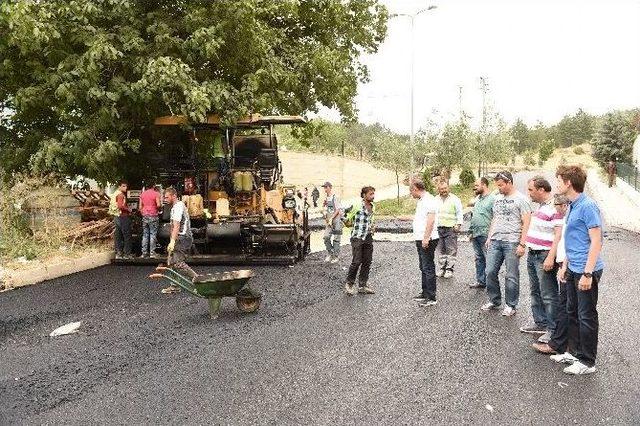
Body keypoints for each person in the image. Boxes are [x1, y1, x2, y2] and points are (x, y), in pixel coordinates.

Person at [553, 165, 604, 375]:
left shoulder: (588, 206)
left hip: (586, 270)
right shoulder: (572, 205)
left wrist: (587, 273)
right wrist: (565, 265)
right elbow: (571, 240)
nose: (557, 184)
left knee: (586, 316)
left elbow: (596, 241)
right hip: (573, 267)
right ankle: (574, 353)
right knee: (572, 312)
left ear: (568, 183)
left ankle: (588, 361)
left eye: (558, 180)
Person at [532, 195, 580, 365]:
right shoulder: (569, 214)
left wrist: (564, 264)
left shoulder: (576, 212)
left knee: (567, 306)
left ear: (565, 204)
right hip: (565, 263)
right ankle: (564, 345)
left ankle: (563, 345)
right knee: (565, 305)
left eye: (557, 205)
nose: (556, 208)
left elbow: (571, 241)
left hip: (572, 265)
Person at [481, 171, 532, 317]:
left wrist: (522, 244)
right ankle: (494, 300)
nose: (499, 188)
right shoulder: (497, 198)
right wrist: (490, 236)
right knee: (489, 271)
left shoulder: (521, 199)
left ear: (509, 182)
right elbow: (495, 218)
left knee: (511, 275)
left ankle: (511, 305)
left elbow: (526, 222)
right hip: (496, 240)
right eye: (497, 186)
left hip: (512, 241)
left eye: (501, 185)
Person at [521, 177, 563, 344]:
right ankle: (541, 322)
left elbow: (558, 234)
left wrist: (551, 256)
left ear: (541, 190)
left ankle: (553, 331)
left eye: (531, 190)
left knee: (549, 294)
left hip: (544, 255)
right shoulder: (542, 206)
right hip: (533, 254)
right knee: (535, 291)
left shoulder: (555, 205)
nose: (529, 193)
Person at [162, 187, 198, 294]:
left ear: (174, 196)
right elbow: (173, 226)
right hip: (179, 237)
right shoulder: (174, 207)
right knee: (171, 261)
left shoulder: (178, 207)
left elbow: (177, 226)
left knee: (177, 263)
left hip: (183, 237)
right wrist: (171, 240)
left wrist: (172, 241)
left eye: (167, 197)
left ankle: (198, 280)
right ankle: (174, 285)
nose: (165, 199)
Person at [410, 180, 440, 307]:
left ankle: (431, 297)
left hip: (428, 238)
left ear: (416, 189)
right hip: (421, 237)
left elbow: (431, 220)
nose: (411, 194)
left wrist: (426, 238)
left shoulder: (429, 200)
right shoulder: (422, 201)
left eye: (411, 191)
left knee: (428, 267)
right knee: (423, 266)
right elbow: (421, 219)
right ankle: (425, 293)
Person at [344, 186, 376, 295]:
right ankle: (349, 284)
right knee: (356, 261)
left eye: (373, 194)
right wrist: (348, 223)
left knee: (367, 261)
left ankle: (362, 285)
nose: (373, 196)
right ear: (364, 195)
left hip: (368, 237)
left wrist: (372, 227)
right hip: (357, 237)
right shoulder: (356, 205)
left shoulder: (373, 206)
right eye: (371, 194)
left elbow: (370, 220)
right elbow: (344, 214)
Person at [468, 177, 495, 289]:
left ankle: (491, 283)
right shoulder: (478, 198)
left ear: (484, 185)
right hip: (476, 233)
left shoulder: (492, 199)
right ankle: (481, 281)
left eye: (477, 185)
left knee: (488, 258)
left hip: (486, 233)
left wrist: (491, 235)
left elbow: (496, 217)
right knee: (479, 258)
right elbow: (474, 215)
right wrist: (470, 231)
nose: (475, 187)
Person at [435, 181, 464, 278]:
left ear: (448, 188)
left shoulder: (455, 199)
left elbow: (459, 212)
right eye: (441, 189)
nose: (444, 190)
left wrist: (458, 224)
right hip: (439, 228)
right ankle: (442, 268)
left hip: (451, 228)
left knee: (451, 250)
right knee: (441, 250)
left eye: (445, 188)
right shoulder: (435, 199)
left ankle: (449, 269)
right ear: (438, 190)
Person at [108, 180, 132, 259]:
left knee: (118, 235)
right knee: (126, 235)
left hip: (116, 216)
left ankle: (118, 253)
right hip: (123, 216)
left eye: (126, 186)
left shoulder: (115, 194)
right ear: (119, 186)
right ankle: (127, 254)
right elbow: (120, 206)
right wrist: (128, 209)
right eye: (124, 186)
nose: (126, 188)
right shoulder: (120, 195)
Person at [139, 182, 162, 258]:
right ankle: (152, 253)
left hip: (145, 216)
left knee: (145, 234)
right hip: (153, 215)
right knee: (153, 234)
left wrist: (143, 212)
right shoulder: (156, 194)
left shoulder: (142, 194)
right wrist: (158, 209)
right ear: (154, 186)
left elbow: (140, 207)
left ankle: (144, 253)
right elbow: (158, 204)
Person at [322, 181, 343, 263]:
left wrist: (331, 218)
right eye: (324, 187)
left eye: (326, 187)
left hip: (336, 220)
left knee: (336, 239)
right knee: (326, 237)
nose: (325, 189)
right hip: (329, 221)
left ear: (330, 187)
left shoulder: (335, 197)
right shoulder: (326, 198)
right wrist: (324, 213)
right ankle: (330, 253)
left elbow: (338, 209)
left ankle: (336, 257)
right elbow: (325, 208)